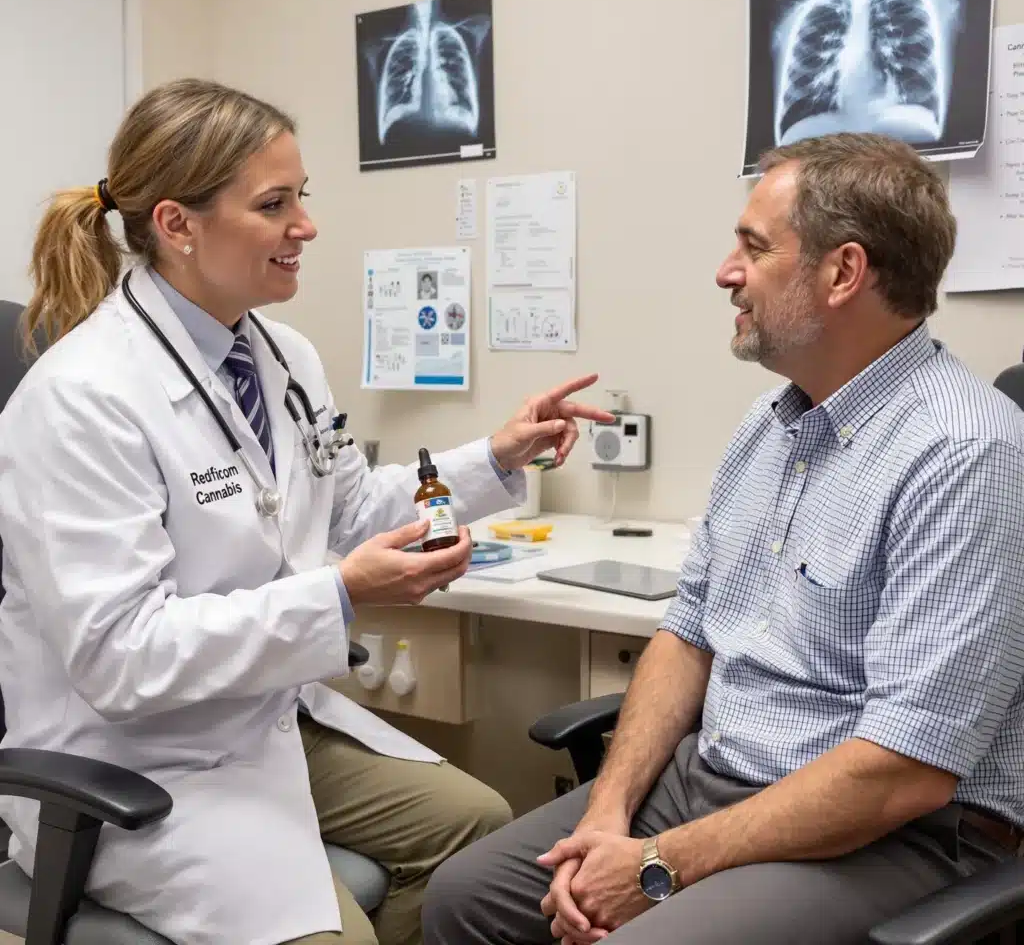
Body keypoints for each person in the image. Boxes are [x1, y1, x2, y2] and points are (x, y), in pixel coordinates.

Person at [0, 78, 614, 945]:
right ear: (177, 225)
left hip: (262, 719)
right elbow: (119, 659)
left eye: (303, 197)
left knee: (476, 832)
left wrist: (496, 457)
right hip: (129, 759)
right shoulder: (81, 399)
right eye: (275, 204)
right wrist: (340, 595)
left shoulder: (281, 355)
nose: (308, 226)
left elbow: (349, 508)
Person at [421, 133, 1024, 945]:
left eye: (753, 246)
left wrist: (659, 865)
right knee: (465, 898)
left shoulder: (967, 454)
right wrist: (608, 814)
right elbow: (690, 629)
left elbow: (904, 769)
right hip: (710, 780)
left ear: (844, 273)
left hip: (889, 831)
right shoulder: (770, 423)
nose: (725, 272)